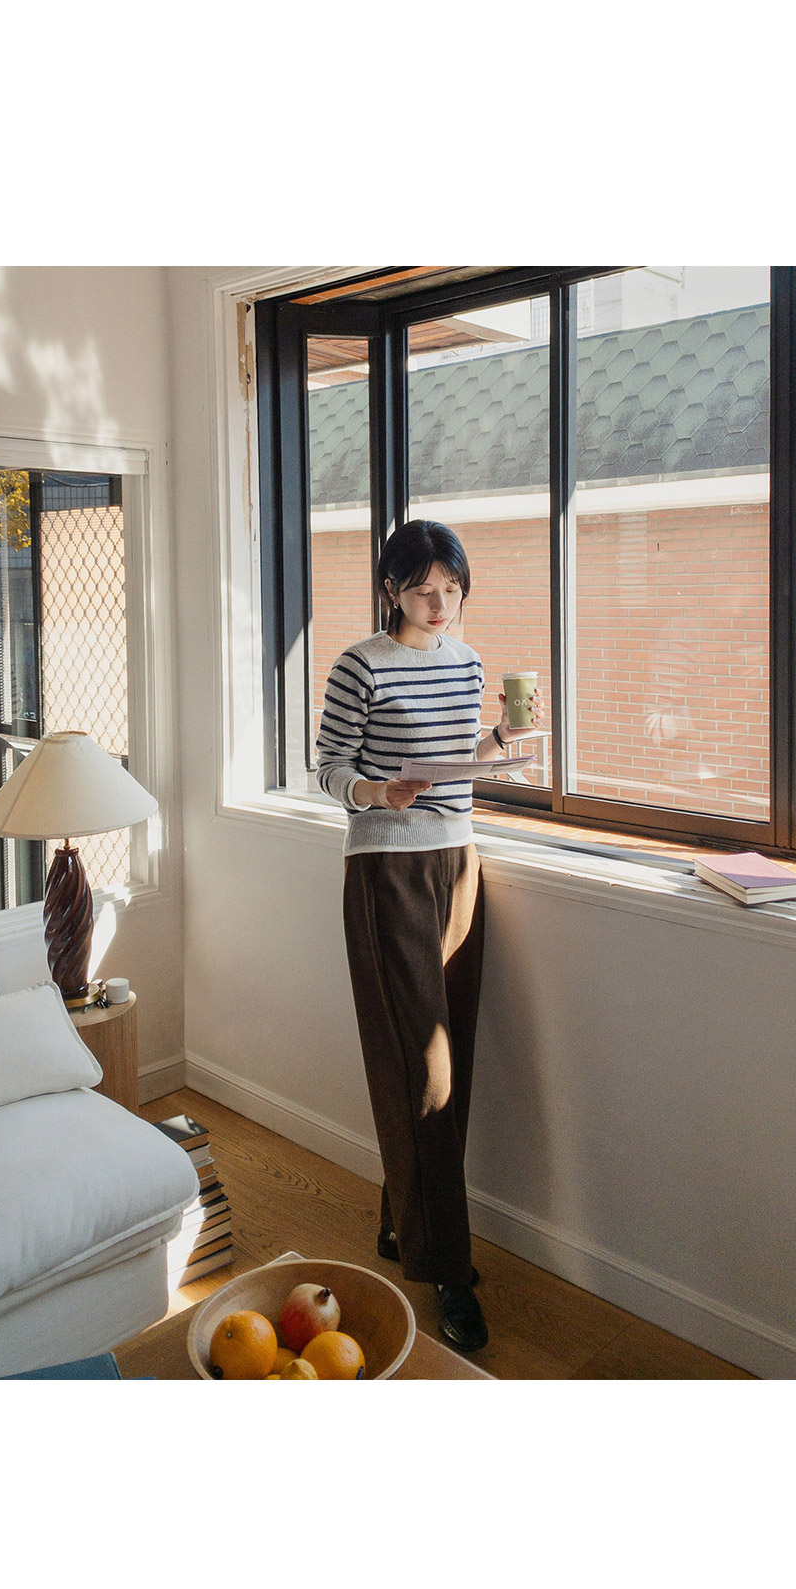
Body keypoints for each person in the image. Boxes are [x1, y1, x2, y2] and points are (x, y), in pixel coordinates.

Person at [317, 518, 488, 1359]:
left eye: (452, 588)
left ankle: (402, 1222)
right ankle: (448, 1268)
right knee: (425, 1072)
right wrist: (376, 791)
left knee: (457, 1055)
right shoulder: (361, 664)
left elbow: (461, 760)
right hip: (387, 865)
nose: (440, 602)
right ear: (391, 588)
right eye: (424, 589)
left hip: (460, 862)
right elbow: (329, 768)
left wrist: (501, 745)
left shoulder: (469, 662)